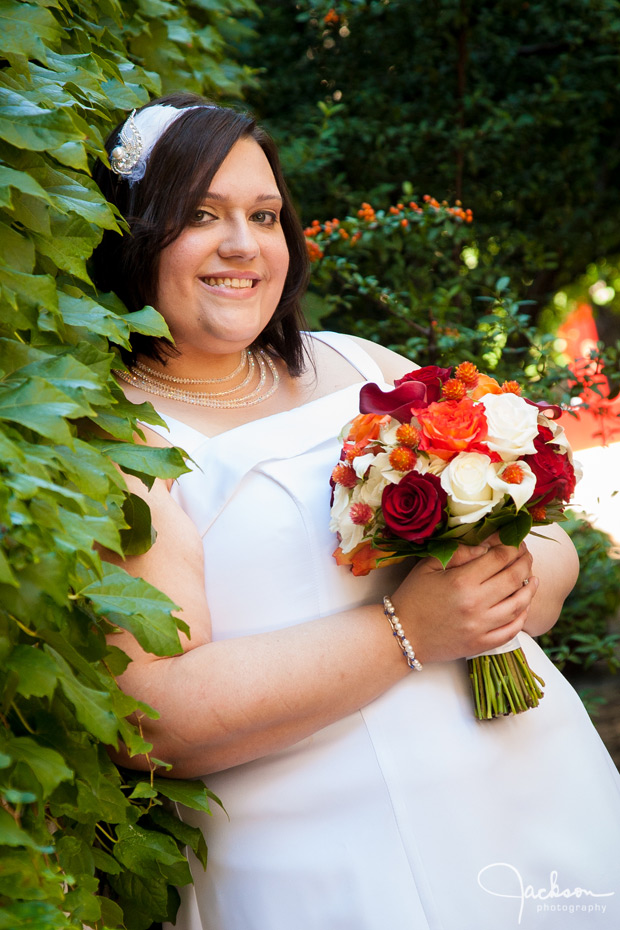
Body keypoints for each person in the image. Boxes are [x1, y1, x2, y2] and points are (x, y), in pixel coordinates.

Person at [92, 93, 620, 930]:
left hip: (533, 793)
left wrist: (507, 576)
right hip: (321, 863)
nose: (243, 245)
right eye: (201, 214)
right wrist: (409, 630)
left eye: (264, 215)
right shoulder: (121, 438)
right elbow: (155, 719)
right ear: (132, 232)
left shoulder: (352, 362)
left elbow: (547, 534)